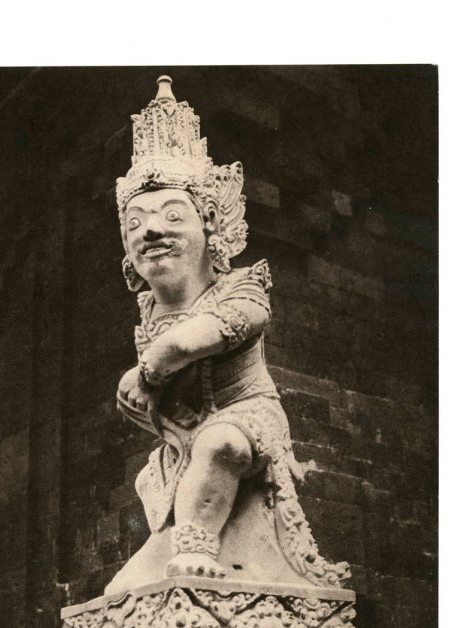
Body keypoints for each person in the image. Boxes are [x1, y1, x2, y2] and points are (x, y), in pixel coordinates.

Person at [114, 77, 349, 589]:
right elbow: (165, 395)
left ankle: (199, 552)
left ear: (211, 225)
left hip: (245, 418)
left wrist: (152, 364)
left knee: (220, 443)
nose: (149, 231)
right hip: (183, 445)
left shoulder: (242, 287)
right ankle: (178, 545)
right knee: (128, 578)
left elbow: (213, 333)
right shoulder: (149, 315)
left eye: (171, 216)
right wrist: (143, 400)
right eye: (134, 223)